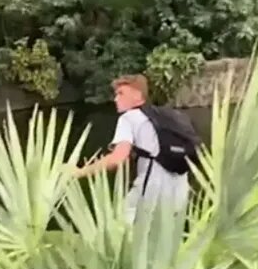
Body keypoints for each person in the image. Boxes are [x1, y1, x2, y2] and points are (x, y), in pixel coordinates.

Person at [73, 74, 190, 222]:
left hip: (150, 193)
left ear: (137, 95)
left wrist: (80, 172)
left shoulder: (129, 118)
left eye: (121, 93)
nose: (116, 99)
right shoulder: (170, 117)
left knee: (119, 229)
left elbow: (117, 159)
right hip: (180, 193)